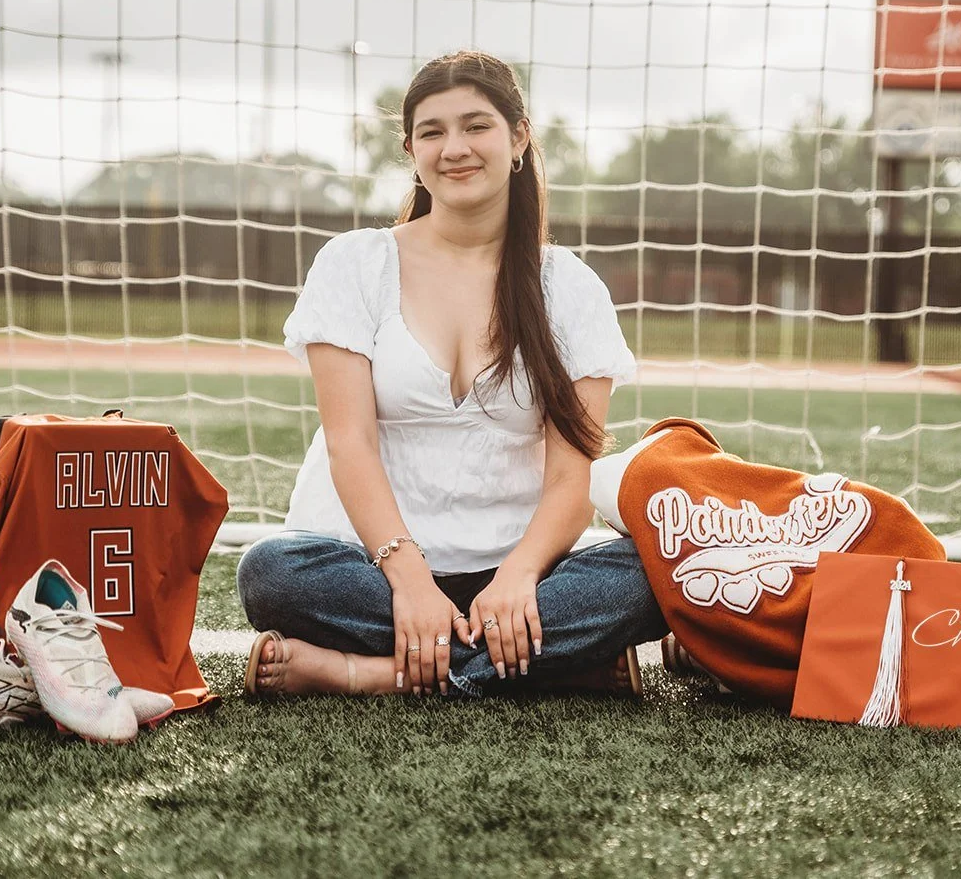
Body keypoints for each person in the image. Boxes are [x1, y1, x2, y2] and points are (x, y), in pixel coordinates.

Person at [236, 49, 668, 699]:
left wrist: (521, 576)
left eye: (476, 126)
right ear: (410, 150)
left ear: (519, 137)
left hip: (518, 575)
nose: (454, 148)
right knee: (271, 572)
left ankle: (371, 674)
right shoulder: (356, 264)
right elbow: (348, 443)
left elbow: (569, 476)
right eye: (432, 132)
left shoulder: (569, 286)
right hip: (373, 565)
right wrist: (411, 581)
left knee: (658, 572)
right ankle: (557, 666)